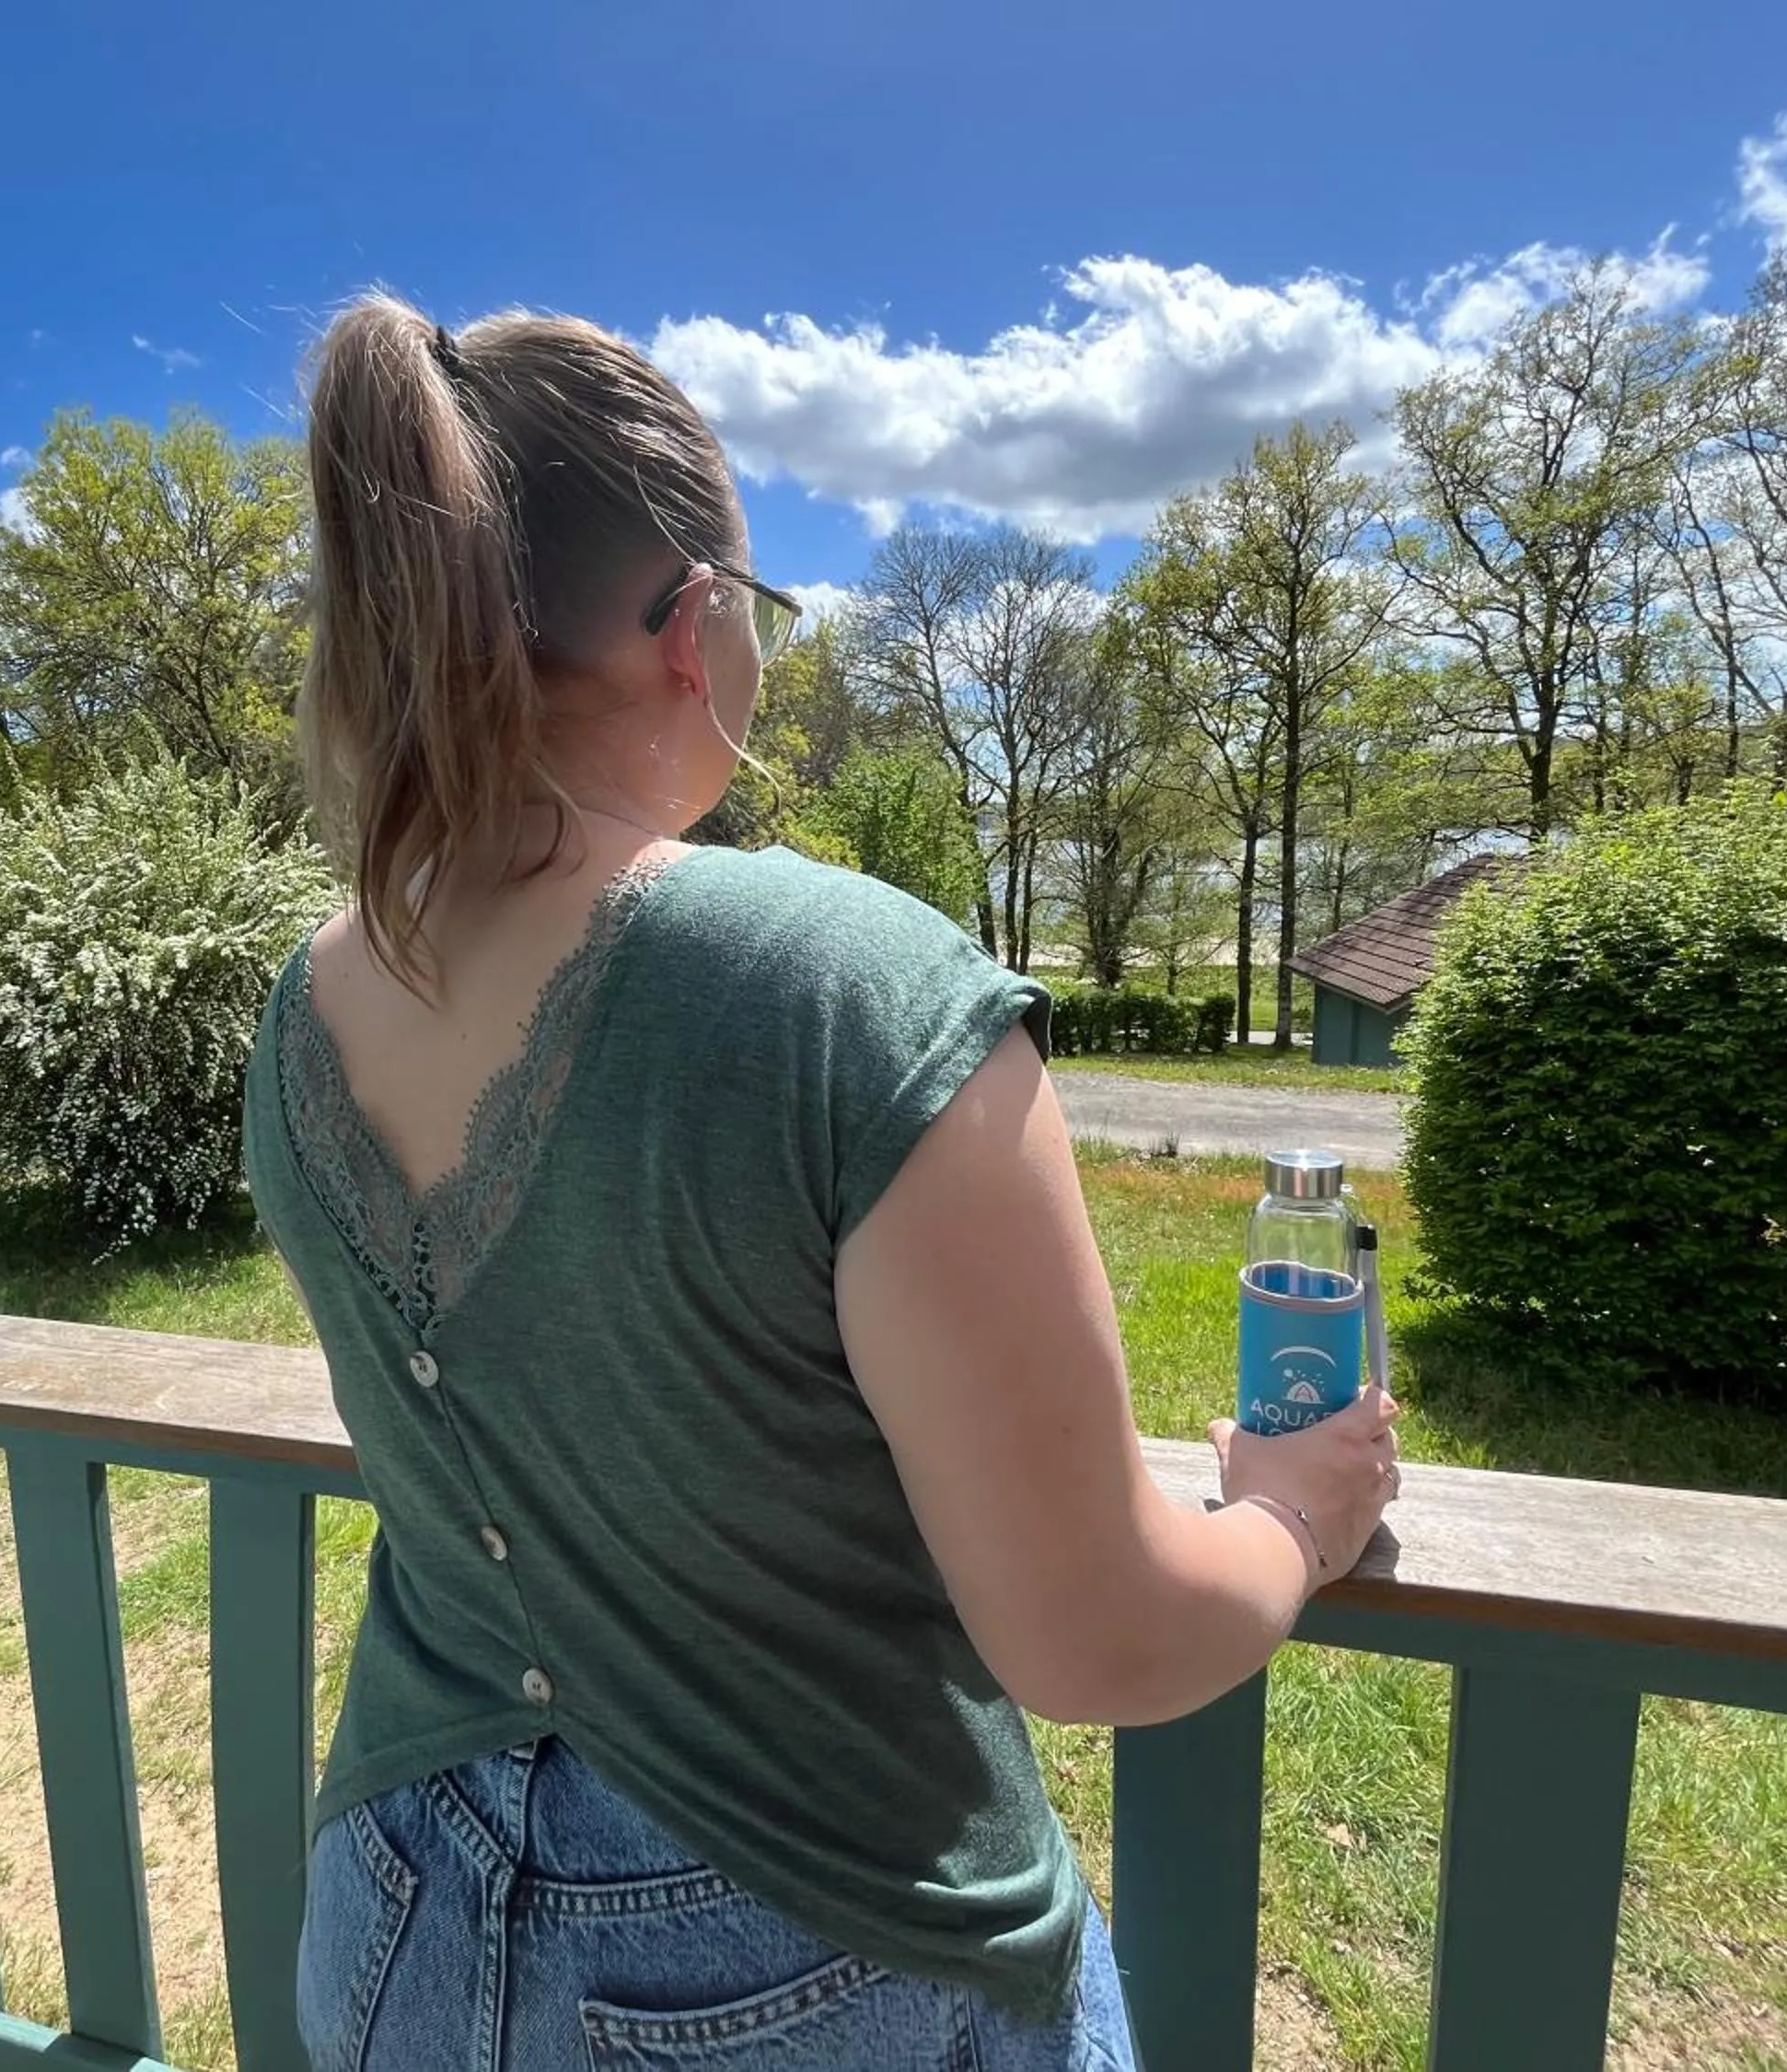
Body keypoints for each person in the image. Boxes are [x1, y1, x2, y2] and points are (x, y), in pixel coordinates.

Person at [242, 291, 1401, 2072]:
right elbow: (1096, 1634)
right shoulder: (838, 982)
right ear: (699, 629)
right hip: (795, 1960)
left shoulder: (312, 1003)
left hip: (391, 1910)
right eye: (766, 614)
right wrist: (1297, 1519)